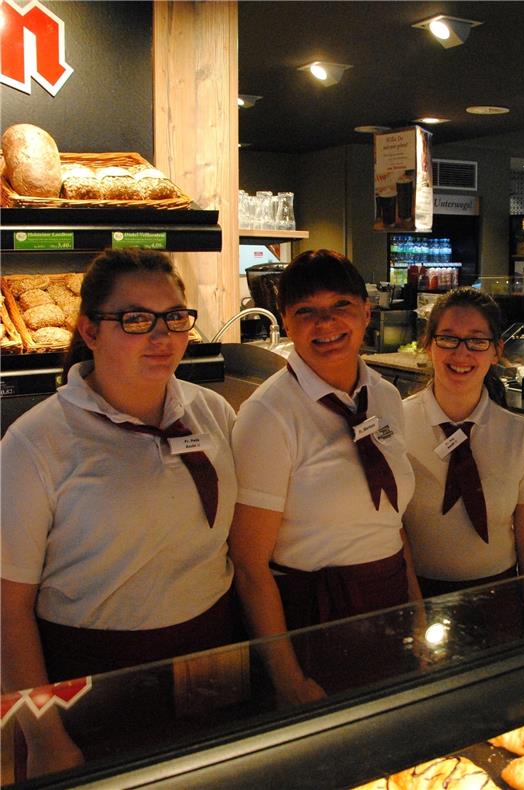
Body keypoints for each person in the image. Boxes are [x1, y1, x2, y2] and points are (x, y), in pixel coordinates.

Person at [1, 248, 241, 777]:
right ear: (90, 331)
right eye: (136, 319)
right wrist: (44, 735)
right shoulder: (35, 443)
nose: (163, 336)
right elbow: (7, 609)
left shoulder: (214, 413)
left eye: (176, 317)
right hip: (91, 677)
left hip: (212, 655)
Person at [229, 249, 420, 704]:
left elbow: (392, 522)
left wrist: (415, 611)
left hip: (389, 597)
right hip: (314, 615)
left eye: (341, 306)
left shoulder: (387, 396)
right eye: (307, 312)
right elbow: (250, 564)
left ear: (365, 311)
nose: (327, 324)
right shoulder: (268, 415)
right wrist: (288, 678)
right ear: (286, 323)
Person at [402, 287, 524, 598]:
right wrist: (413, 610)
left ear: (496, 351)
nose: (462, 353)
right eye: (448, 338)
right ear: (428, 344)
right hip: (413, 595)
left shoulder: (521, 438)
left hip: (498, 597)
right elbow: (390, 534)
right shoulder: (396, 426)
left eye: (477, 341)